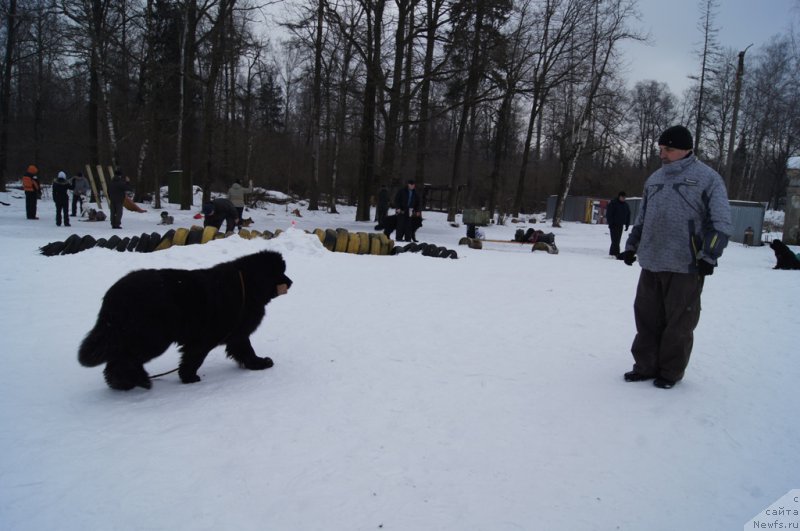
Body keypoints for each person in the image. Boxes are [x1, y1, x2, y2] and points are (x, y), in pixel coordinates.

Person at [621, 125, 732, 389]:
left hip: (686, 265)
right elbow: (643, 218)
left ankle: (670, 372)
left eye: (669, 149)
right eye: (661, 149)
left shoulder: (708, 178)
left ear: (686, 149)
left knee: (679, 323)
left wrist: (709, 255)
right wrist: (631, 245)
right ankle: (645, 366)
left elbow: (722, 223)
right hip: (651, 262)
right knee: (646, 318)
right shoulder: (655, 179)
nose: (663, 153)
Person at [605, 191, 631, 258]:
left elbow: (628, 215)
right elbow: (609, 214)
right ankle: (614, 254)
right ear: (619, 196)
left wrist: (627, 224)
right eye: (622, 197)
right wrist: (610, 223)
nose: (623, 199)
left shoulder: (625, 205)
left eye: (624, 197)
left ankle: (614, 253)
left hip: (620, 225)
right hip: (613, 225)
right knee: (615, 240)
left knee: (617, 240)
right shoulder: (613, 203)